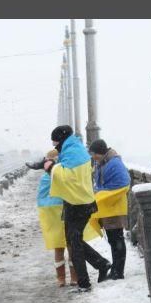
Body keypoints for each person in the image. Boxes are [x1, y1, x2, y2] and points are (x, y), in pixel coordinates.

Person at [27, 125, 111, 292]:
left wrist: (49, 167)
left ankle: (84, 283)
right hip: (80, 202)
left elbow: (65, 177)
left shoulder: (72, 153)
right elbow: (64, 168)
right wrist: (46, 165)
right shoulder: (75, 149)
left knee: (74, 244)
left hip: (78, 204)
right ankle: (101, 264)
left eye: (56, 143)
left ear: (62, 139)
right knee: (74, 241)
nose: (55, 147)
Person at [36, 149, 101, 287]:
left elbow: (41, 198)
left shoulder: (48, 177)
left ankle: (61, 279)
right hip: (66, 212)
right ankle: (73, 277)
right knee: (71, 246)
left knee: (59, 247)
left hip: (53, 215)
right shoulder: (63, 174)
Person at [88, 139, 131, 280]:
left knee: (117, 239)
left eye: (94, 154)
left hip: (114, 207)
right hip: (109, 208)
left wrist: (103, 193)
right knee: (114, 240)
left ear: (100, 152)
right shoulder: (104, 162)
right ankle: (116, 270)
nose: (93, 157)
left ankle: (118, 272)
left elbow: (123, 182)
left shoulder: (114, 163)